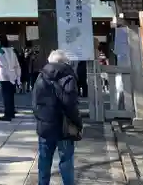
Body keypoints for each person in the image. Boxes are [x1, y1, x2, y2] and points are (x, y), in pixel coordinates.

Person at [32, 49, 83, 185]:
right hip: (64, 127)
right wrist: (78, 123)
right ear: (64, 62)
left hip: (45, 126)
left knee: (44, 161)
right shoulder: (69, 77)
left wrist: (40, 118)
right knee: (66, 162)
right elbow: (71, 105)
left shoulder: (41, 76)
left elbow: (34, 103)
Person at [0, 34, 21, 121]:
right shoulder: (12, 51)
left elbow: (2, 65)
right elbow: (17, 64)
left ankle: (7, 114)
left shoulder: (0, 51)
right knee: (11, 95)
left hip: (5, 76)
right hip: (13, 75)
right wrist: (17, 76)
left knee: (6, 96)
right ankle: (12, 112)